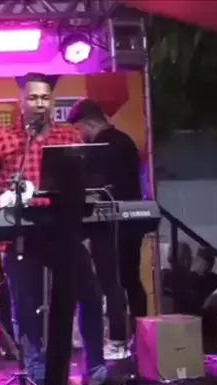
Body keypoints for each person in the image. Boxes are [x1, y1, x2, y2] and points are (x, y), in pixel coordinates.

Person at [0, 73, 120, 385]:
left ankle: (95, 368)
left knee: (90, 294)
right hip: (21, 233)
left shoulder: (68, 136)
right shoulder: (3, 140)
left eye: (45, 98)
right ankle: (35, 372)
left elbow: (86, 179)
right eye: (34, 97)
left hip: (63, 229)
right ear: (21, 101)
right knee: (26, 305)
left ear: (52, 102)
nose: (40, 104)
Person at [67, 98, 145, 360]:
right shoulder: (125, 141)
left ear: (89, 123)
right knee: (131, 279)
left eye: (79, 129)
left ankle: (118, 341)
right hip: (132, 221)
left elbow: (94, 188)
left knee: (110, 281)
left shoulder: (99, 148)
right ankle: (141, 339)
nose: (80, 135)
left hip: (107, 224)